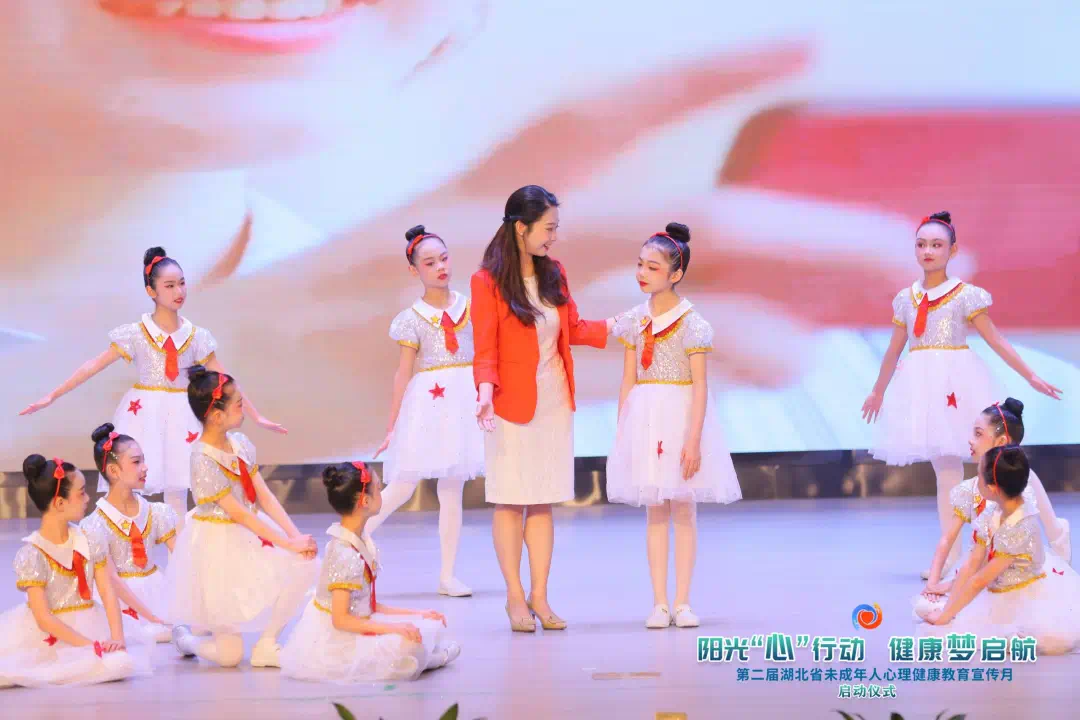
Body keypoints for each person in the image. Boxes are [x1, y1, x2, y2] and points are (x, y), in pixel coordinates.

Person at [19, 248, 286, 522]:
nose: (178, 291)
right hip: (144, 414)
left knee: (178, 489)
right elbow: (93, 365)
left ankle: (178, 547)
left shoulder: (196, 336)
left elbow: (225, 380)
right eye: (169, 285)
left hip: (183, 415)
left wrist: (257, 416)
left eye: (182, 283)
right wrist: (52, 396)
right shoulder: (136, 333)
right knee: (130, 483)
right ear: (151, 290)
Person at [862, 211, 1061, 576]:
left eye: (937, 245)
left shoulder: (965, 295)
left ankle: (1053, 528)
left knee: (999, 462)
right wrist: (877, 391)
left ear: (952, 250)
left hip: (960, 384)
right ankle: (951, 559)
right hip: (923, 387)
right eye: (921, 244)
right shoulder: (906, 298)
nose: (928, 251)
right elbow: (893, 350)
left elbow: (995, 339)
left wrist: (1031, 375)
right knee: (946, 473)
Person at [472, 185, 613, 632]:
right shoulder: (486, 281)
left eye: (555, 228)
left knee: (542, 500)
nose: (553, 237)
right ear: (521, 228)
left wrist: (621, 326)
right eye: (548, 228)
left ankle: (540, 595)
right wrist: (484, 391)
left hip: (553, 401)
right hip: (509, 405)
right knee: (511, 500)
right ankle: (515, 596)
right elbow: (485, 348)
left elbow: (574, 328)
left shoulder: (555, 272)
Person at [606, 223, 743, 629]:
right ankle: (659, 603)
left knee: (683, 509)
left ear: (675, 273)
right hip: (646, 420)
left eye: (652, 267)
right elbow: (628, 379)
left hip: (680, 419)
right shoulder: (634, 320)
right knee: (655, 511)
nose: (642, 273)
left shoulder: (693, 323)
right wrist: (623, 431)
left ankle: (683, 602)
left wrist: (693, 440)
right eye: (640, 265)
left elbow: (701, 385)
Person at [168, 366, 316, 669]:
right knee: (230, 656)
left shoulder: (240, 444)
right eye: (238, 403)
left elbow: (264, 496)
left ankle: (267, 643)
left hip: (250, 532)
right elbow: (239, 514)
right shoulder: (202, 459)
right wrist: (287, 543)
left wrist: (295, 536)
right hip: (218, 545)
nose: (244, 408)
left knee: (305, 563)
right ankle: (188, 641)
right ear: (216, 415)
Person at [367, 225, 482, 597]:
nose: (441, 267)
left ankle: (448, 575)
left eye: (444, 259)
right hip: (428, 404)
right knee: (402, 484)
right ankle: (351, 540)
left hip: (464, 401)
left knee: (452, 489)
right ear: (414, 270)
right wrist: (392, 426)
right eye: (430, 263)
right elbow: (403, 373)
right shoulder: (411, 318)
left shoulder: (472, 306)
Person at [281, 461, 460, 682]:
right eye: (377, 487)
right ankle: (432, 659)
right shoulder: (344, 553)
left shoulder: (360, 539)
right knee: (409, 644)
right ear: (365, 501)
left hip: (359, 618)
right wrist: (393, 627)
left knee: (427, 625)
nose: (381, 491)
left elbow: (367, 604)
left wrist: (416, 613)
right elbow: (340, 620)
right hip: (340, 638)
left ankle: (425, 656)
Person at [0, 455, 149, 687]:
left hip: (91, 621)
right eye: (81, 493)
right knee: (18, 670)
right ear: (60, 503)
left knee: (121, 663)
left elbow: (107, 592)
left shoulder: (90, 539)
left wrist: (117, 638)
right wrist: (90, 646)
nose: (88, 498)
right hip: (50, 633)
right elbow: (43, 618)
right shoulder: (33, 553)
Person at [918, 446, 1080, 656]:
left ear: (992, 488)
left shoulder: (1019, 526)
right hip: (997, 587)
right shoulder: (993, 512)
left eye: (979, 475)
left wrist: (945, 616)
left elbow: (979, 580)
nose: (976, 480)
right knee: (937, 611)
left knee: (1049, 639)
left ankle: (1021, 635)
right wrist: (948, 608)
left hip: (1024, 592)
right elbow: (972, 564)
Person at [80, 423, 179, 644]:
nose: (145, 468)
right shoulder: (95, 524)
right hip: (120, 600)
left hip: (156, 591)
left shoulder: (156, 512)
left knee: (171, 630)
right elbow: (112, 580)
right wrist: (151, 617)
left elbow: (182, 557)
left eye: (144, 460)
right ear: (113, 471)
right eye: (136, 462)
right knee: (144, 634)